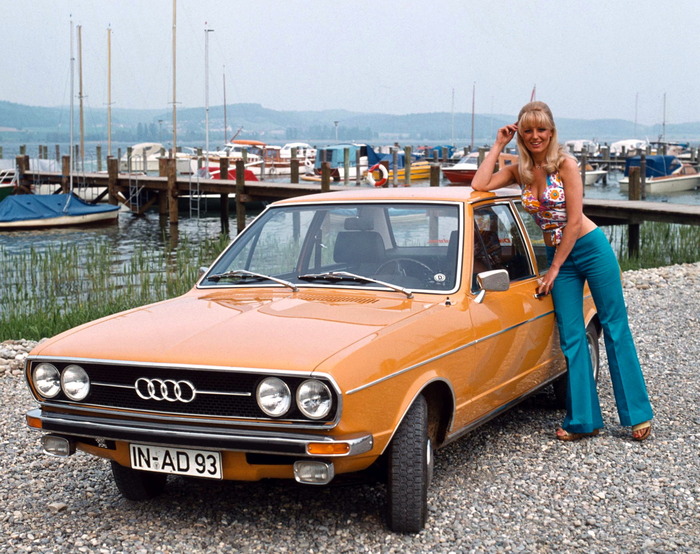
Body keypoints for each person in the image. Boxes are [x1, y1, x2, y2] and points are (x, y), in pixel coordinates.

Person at [472, 101, 653, 442]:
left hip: (589, 248)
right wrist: (498, 145)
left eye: (541, 129)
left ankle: (638, 414)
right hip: (560, 256)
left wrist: (553, 268)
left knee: (614, 327)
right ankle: (584, 420)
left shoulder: (566, 165)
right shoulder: (519, 170)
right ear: (521, 135)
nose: (535, 136)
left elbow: (572, 221)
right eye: (528, 130)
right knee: (571, 337)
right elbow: (479, 184)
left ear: (552, 132)